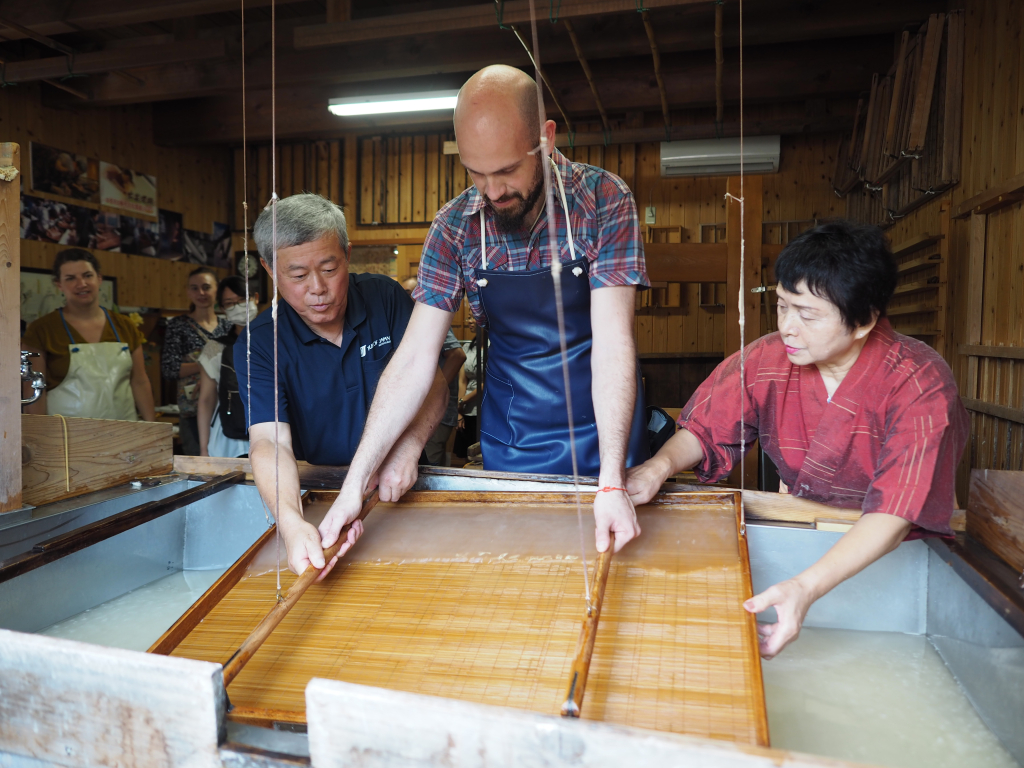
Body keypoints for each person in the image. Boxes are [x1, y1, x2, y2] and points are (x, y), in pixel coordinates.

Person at [324, 64, 651, 559]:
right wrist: (355, 482)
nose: (493, 192)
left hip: (606, 434)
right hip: (513, 438)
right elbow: (414, 358)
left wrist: (610, 481)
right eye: (477, 174)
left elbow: (612, 343)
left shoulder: (604, 202)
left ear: (545, 138)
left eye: (506, 171)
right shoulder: (454, 227)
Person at [625, 220, 970, 659]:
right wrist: (658, 467)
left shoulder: (920, 382)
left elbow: (896, 511)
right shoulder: (768, 358)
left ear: (864, 320)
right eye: (783, 306)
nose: (788, 326)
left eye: (807, 315)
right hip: (805, 525)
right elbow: (706, 429)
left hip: (893, 547)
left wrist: (805, 587)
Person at [236, 193, 448, 579]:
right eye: (297, 276)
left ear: (347, 255)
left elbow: (431, 379)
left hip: (402, 478)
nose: (317, 288)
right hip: (326, 492)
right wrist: (290, 522)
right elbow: (269, 441)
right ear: (268, 268)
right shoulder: (260, 343)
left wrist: (410, 444)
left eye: (329, 269)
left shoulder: (384, 298)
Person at [22, 249, 156, 421]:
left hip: (124, 434)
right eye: (71, 278)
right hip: (66, 438)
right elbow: (33, 389)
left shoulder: (125, 326)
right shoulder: (41, 330)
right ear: (59, 284)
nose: (82, 284)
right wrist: (39, 439)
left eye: (87, 275)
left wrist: (152, 429)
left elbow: (139, 381)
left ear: (99, 279)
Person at [161, 267, 233, 455]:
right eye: (194, 288)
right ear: (187, 292)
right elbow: (170, 369)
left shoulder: (228, 326)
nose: (201, 293)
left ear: (217, 289)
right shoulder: (178, 326)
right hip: (192, 410)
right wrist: (207, 365)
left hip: (227, 409)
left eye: (206, 287)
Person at [403, 276, 467, 466]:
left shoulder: (427, 319)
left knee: (431, 467)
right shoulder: (409, 320)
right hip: (420, 411)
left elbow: (457, 355)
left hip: (436, 411)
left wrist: (431, 393)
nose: (405, 298)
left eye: (409, 293)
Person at [197, 276, 259, 458]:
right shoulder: (214, 348)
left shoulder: (278, 340)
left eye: (242, 300)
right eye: (230, 303)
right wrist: (203, 449)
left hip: (275, 433)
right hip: (227, 438)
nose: (238, 307)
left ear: (255, 298)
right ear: (223, 309)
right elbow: (206, 400)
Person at [454, 313, 483, 459]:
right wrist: (459, 410)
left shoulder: (493, 346)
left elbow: (485, 382)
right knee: (466, 454)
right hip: (466, 407)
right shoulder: (468, 346)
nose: (469, 321)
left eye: (472, 317)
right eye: (468, 317)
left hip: (484, 406)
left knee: (482, 453)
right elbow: (462, 380)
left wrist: (462, 401)